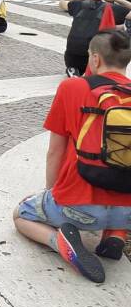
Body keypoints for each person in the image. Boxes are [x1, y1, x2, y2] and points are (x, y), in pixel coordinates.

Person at [14, 29, 131, 284]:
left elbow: (55, 151)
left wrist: (50, 194)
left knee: (21, 215)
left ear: (95, 59)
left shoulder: (72, 87)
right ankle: (116, 237)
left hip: (80, 205)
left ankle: (60, 243)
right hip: (128, 210)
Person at [60, 0, 131, 76]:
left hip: (72, 55)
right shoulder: (115, 9)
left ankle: (74, 69)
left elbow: (62, 2)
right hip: (96, 55)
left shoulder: (80, 4)